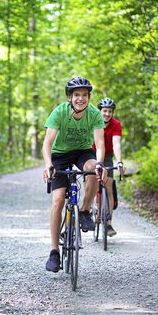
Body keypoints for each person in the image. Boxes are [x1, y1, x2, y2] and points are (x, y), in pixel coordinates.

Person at [42, 76, 106, 273]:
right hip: (60, 155)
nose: (81, 99)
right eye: (76, 95)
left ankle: (85, 211)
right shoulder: (59, 112)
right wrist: (48, 165)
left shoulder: (94, 113)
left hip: (83, 152)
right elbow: (47, 142)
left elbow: (100, 143)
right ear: (69, 97)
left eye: (84, 95)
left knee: (94, 169)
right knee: (58, 200)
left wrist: (100, 164)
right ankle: (54, 252)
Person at [92, 97, 124, 237]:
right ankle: (94, 206)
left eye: (109, 111)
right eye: (104, 111)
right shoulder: (93, 122)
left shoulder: (116, 124)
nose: (107, 114)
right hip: (92, 154)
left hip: (107, 156)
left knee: (109, 185)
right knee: (92, 182)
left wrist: (120, 162)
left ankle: (109, 222)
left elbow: (116, 144)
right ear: (99, 111)